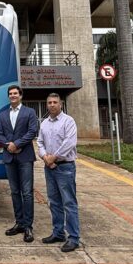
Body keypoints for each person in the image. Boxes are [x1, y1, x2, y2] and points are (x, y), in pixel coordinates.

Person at [36, 93, 81, 252]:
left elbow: (69, 142)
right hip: (49, 168)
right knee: (54, 202)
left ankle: (74, 237)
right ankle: (58, 233)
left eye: (55, 102)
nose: (52, 105)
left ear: (60, 104)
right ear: (47, 105)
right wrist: (44, 156)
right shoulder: (44, 124)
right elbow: (39, 141)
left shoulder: (68, 121)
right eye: (49, 102)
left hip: (65, 167)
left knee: (69, 203)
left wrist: (54, 157)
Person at [0, 85, 39, 243]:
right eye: (10, 94)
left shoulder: (30, 112)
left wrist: (17, 144)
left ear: (20, 96)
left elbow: (32, 131)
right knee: (14, 192)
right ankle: (19, 223)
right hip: (9, 157)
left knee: (27, 192)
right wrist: (8, 146)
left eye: (15, 93)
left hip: (25, 157)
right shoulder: (2, 115)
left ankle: (28, 226)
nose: (13, 96)